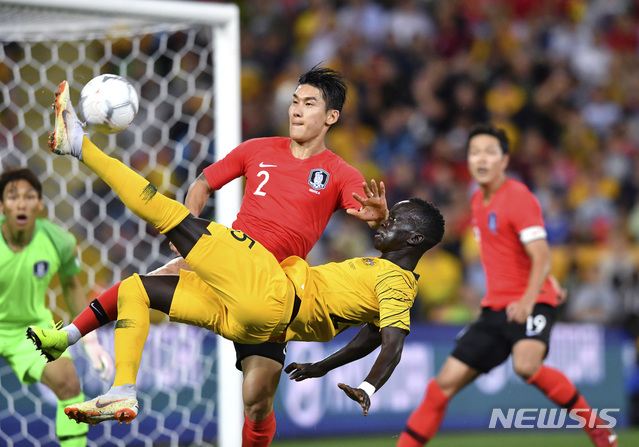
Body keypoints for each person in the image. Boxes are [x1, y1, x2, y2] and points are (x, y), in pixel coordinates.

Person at [29, 66, 389, 446]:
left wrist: (376, 218)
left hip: (267, 286)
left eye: (309, 104)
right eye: (294, 102)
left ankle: (78, 146)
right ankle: (107, 374)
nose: (296, 111)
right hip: (227, 263)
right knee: (139, 287)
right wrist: (194, 225)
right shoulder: (258, 149)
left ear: (331, 117)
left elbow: (369, 214)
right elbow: (204, 182)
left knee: (257, 401)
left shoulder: (340, 172)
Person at [396, 124, 618, 447]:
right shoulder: (477, 202)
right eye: (475, 152)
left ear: (504, 160)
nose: (481, 158)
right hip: (496, 309)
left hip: (531, 301)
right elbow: (511, 253)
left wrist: (531, 297)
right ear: (468, 160)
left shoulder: (518, 197)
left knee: (526, 365)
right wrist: (547, 278)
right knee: (441, 385)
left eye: (490, 152)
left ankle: (597, 428)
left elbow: (542, 255)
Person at [0, 167, 114, 447]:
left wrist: (92, 342)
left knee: (69, 384)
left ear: (40, 203)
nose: (22, 203)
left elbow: (73, 287)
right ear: (1, 206)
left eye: (29, 196)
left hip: (30, 328)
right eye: (13, 197)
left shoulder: (58, 241)